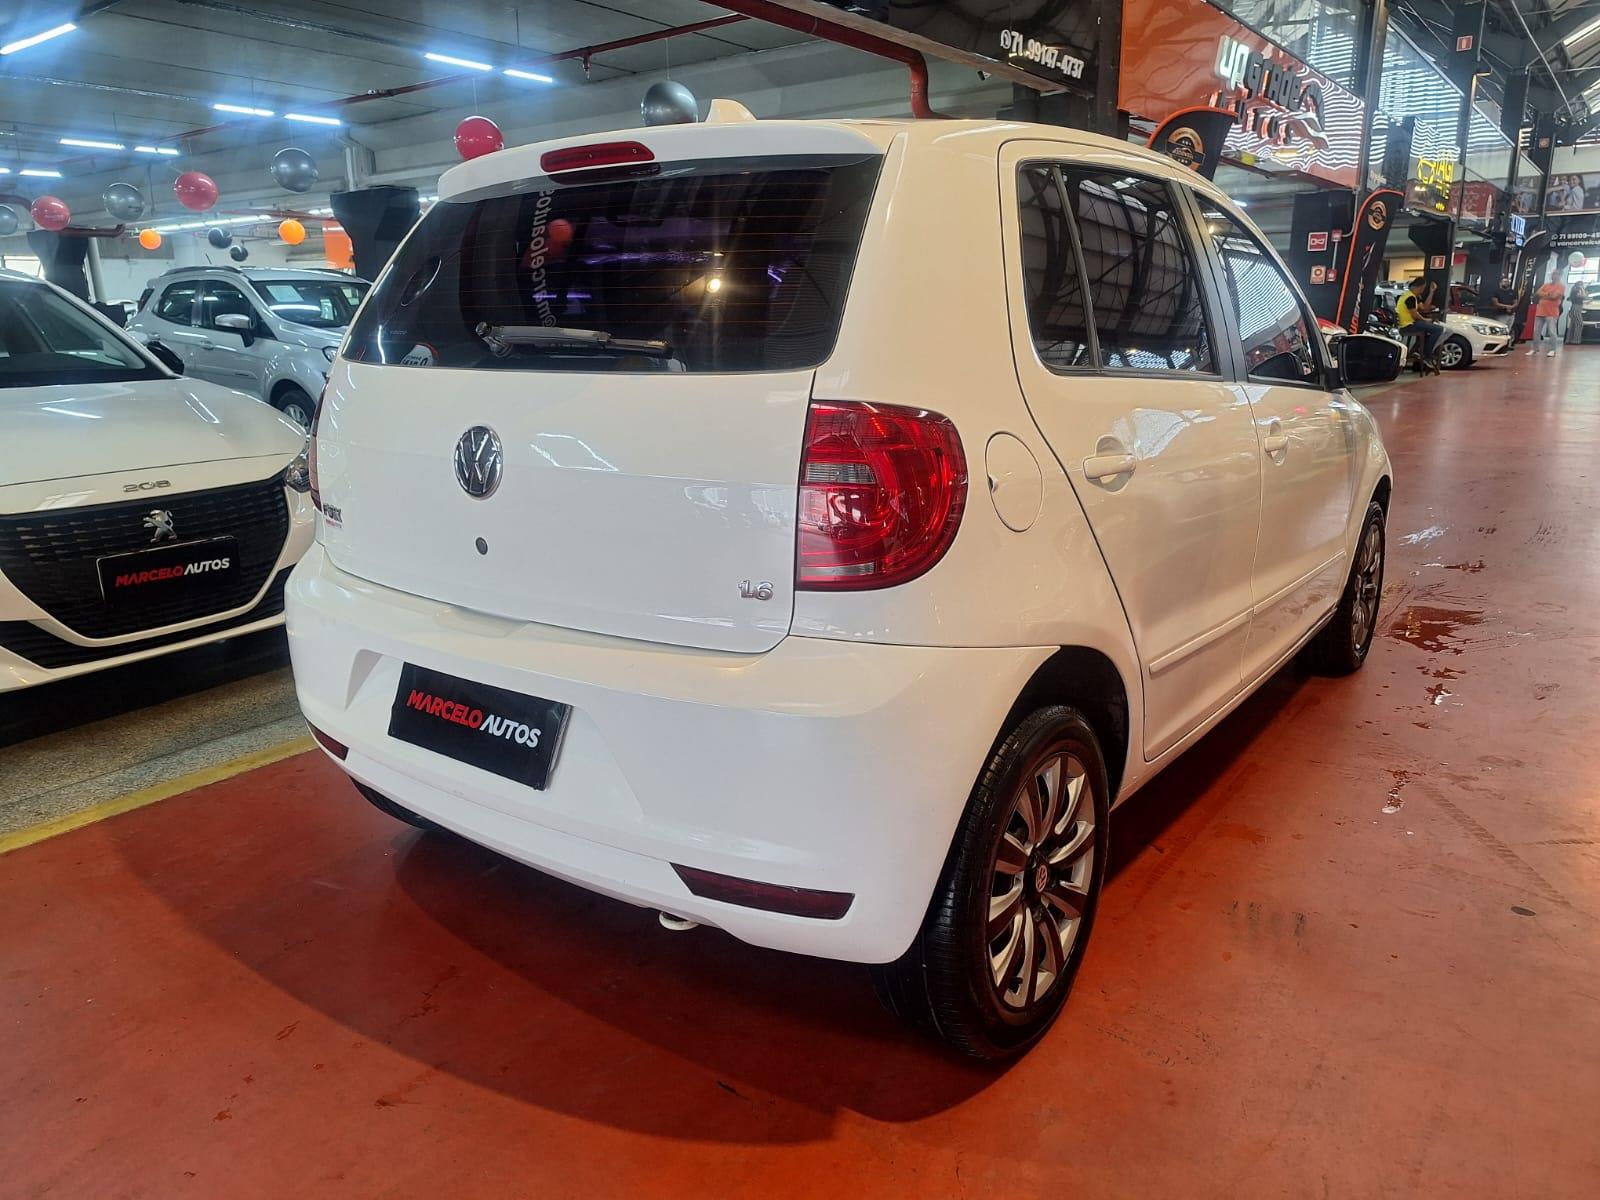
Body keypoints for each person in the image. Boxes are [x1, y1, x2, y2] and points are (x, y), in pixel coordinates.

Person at [1396, 277, 1444, 371]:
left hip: (1410, 323)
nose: (1422, 291)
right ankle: (1428, 355)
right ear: (1419, 287)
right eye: (1423, 288)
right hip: (1408, 325)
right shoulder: (1410, 297)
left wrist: (1431, 292)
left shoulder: (1410, 295)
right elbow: (1415, 314)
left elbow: (1424, 307)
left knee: (1428, 330)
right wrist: (1425, 320)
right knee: (1439, 329)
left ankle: (1418, 351)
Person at [1530, 274, 1567, 357]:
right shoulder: (1546, 285)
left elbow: (1554, 296)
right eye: (1553, 275)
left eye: (1556, 275)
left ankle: (1552, 350)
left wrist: (1544, 294)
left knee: (1552, 332)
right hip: (1540, 311)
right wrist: (1549, 294)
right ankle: (1534, 349)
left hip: (1552, 312)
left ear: (1559, 276)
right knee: (1536, 331)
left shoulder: (1561, 286)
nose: (1553, 276)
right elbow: (1537, 293)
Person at [1492, 276, 1523, 347]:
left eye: (1508, 281)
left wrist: (1511, 307)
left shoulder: (1512, 292)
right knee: (1501, 330)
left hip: (1511, 315)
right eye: (1505, 281)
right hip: (1501, 314)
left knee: (1508, 330)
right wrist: (1506, 306)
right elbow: (1495, 303)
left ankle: (1506, 345)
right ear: (1501, 283)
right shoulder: (1497, 292)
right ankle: (1499, 345)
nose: (1506, 283)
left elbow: (1516, 302)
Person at [1568, 279, 1588, 346]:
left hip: (1575, 308)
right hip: (1576, 308)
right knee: (1579, 324)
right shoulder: (1576, 291)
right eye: (1582, 284)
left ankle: (1569, 339)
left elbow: (1582, 297)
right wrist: (1582, 289)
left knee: (1573, 325)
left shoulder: (1575, 291)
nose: (1583, 285)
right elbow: (1583, 296)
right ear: (1579, 285)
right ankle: (1576, 340)